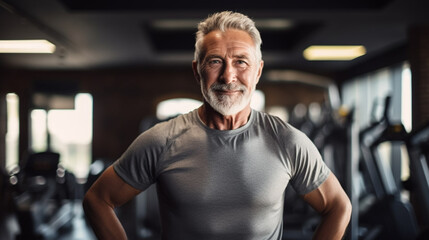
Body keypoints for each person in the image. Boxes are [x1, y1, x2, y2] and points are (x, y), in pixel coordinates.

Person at [83, 11, 352, 240]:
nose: (228, 75)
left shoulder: (287, 141)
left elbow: (338, 206)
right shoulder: (162, 140)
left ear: (257, 71)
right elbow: (98, 199)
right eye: (215, 61)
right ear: (196, 69)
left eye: (241, 62)